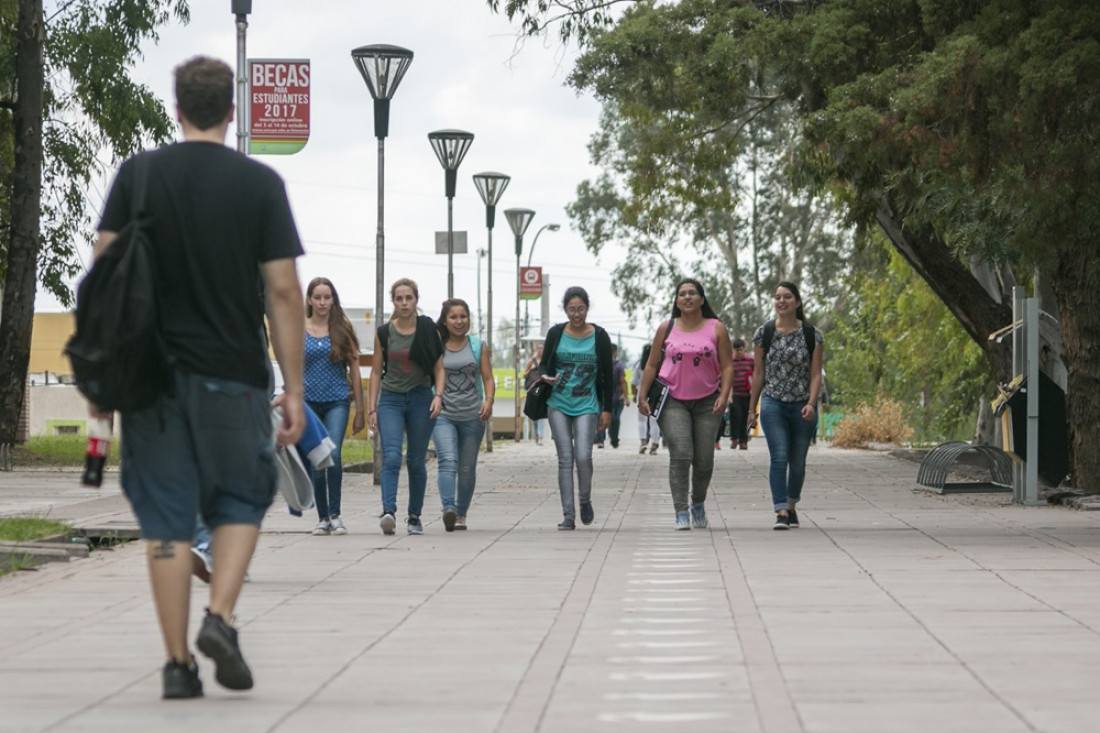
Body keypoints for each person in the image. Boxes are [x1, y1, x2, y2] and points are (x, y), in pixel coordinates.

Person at [91, 56, 305, 699]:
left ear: (176, 108)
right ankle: (220, 618)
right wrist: (292, 388)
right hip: (233, 376)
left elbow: (103, 267)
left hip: (151, 379)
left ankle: (177, 665)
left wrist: (104, 376)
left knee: (165, 519)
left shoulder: (140, 176)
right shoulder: (259, 183)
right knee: (241, 497)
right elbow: (284, 290)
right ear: (231, 111)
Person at [638, 278, 733, 530]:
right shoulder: (666, 327)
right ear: (676, 301)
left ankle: (698, 503)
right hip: (672, 400)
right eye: (682, 294)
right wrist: (642, 396)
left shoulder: (717, 328)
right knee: (681, 453)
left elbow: (727, 366)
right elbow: (650, 365)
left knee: (704, 459)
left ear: (702, 299)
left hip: (708, 401)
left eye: (692, 293)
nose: (687, 297)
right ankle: (681, 511)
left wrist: (724, 396)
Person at [368, 278, 445, 536]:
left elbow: (438, 366)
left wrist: (439, 396)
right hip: (391, 399)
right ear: (394, 301)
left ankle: (414, 516)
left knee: (415, 460)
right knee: (391, 455)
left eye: (408, 298)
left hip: (422, 397)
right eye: (399, 298)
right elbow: (376, 371)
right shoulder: (384, 332)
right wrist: (371, 408)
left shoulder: (427, 329)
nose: (404, 303)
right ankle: (388, 511)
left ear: (416, 300)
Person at [535, 286, 614, 530]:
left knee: (583, 456)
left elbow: (608, 376)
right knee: (565, 459)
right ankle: (568, 515)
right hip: (558, 403)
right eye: (571, 309)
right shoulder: (556, 333)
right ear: (565, 310)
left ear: (587, 309)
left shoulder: (599, 336)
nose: (576, 314)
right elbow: (544, 364)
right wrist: (546, 377)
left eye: (580, 309)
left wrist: (607, 409)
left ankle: (585, 500)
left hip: (587, 405)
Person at [747, 281, 824, 530]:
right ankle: (780, 510)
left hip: (803, 405)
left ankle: (791, 506)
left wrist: (812, 403)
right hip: (773, 403)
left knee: (798, 463)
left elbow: (815, 375)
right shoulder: (763, 333)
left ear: (798, 302)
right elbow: (758, 374)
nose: (781, 301)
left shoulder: (812, 334)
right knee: (778, 458)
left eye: (787, 297)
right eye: (778, 297)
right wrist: (751, 409)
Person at [304, 277, 365, 536]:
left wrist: (360, 410)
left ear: (333, 300)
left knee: (334, 455)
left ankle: (336, 514)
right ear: (309, 300)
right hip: (308, 402)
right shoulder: (299, 328)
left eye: (327, 297)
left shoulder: (342, 328)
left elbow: (354, 370)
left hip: (337, 401)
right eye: (317, 297)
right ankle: (322, 517)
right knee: (317, 459)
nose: (322, 302)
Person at [432, 298, 495, 531]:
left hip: (473, 415)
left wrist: (488, 401)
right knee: (448, 461)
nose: (459, 321)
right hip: (443, 414)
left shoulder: (478, 346)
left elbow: (488, 378)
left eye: (463, 316)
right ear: (445, 320)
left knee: (467, 468)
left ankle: (461, 514)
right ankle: (448, 508)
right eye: (454, 317)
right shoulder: (437, 345)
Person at [594, 345, 630, 448]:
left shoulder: (599, 363)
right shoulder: (618, 365)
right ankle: (611, 439)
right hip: (616, 397)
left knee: (601, 417)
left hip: (603, 397)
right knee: (615, 419)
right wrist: (626, 396)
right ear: (615, 352)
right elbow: (622, 382)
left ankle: (603, 440)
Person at [630, 344, 662, 454]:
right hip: (654, 394)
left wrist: (635, 395)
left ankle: (643, 442)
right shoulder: (657, 365)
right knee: (654, 420)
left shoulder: (639, 365)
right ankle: (654, 444)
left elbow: (633, 383)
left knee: (641, 420)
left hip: (642, 394)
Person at [729, 338, 754, 449]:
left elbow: (756, 375)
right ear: (733, 350)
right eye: (736, 350)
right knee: (735, 416)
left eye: (741, 349)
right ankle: (735, 439)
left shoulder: (751, 361)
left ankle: (744, 441)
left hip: (748, 394)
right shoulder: (730, 361)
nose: (739, 352)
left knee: (745, 417)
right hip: (734, 394)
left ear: (744, 349)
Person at [523, 343, 546, 445]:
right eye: (538, 348)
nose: (540, 350)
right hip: (532, 389)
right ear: (536, 350)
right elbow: (524, 375)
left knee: (541, 413)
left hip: (542, 389)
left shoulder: (545, 362)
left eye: (542, 348)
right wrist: (531, 370)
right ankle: (536, 434)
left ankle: (541, 436)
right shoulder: (531, 361)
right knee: (533, 413)